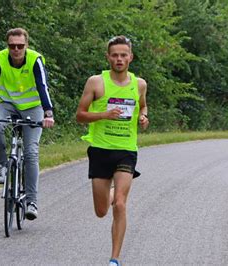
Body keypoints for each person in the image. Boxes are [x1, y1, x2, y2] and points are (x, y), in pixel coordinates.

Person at [76, 36, 149, 266]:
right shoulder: (96, 82)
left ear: (130, 57)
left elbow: (143, 105)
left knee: (120, 203)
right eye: (115, 55)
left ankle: (114, 259)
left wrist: (144, 116)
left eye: (123, 55)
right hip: (100, 149)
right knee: (101, 211)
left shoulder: (139, 84)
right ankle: (109, 194)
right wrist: (103, 115)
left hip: (126, 150)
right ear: (108, 57)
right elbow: (80, 115)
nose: (119, 59)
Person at [0, 28, 54, 220]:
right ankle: (2, 166)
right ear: (7, 46)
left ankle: (32, 202)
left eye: (20, 46)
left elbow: (42, 86)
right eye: (12, 46)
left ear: (26, 45)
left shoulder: (35, 60)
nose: (16, 50)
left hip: (32, 108)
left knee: (31, 152)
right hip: (8, 105)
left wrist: (48, 113)